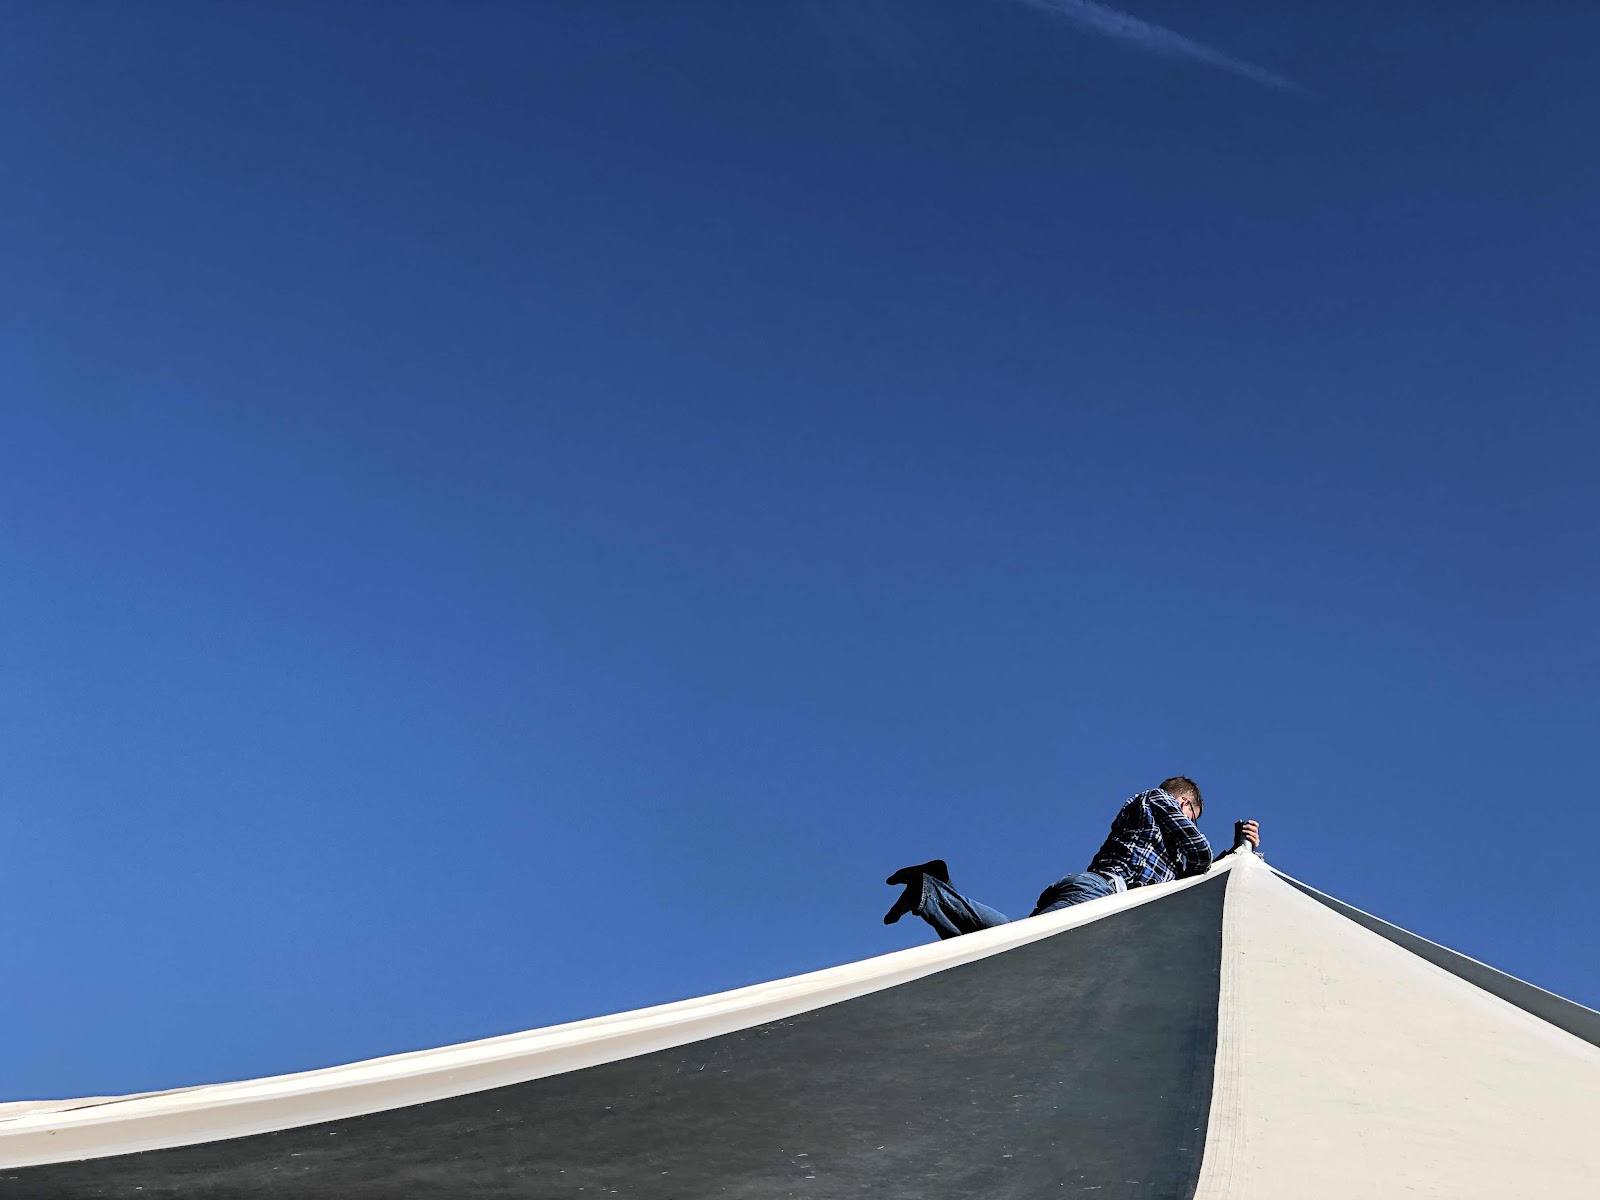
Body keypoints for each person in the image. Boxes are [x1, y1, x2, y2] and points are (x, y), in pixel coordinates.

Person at [882, 777, 1261, 940]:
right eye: (1193, 816)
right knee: (1021, 950)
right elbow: (1198, 856)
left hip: (1094, 894)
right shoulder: (1157, 800)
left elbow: (1191, 878)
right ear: (1183, 802)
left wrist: (1238, 851)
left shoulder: (1156, 843)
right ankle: (932, 891)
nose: (1191, 824)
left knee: (1008, 944)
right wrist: (1213, 851)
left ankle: (932, 890)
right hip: (1100, 892)